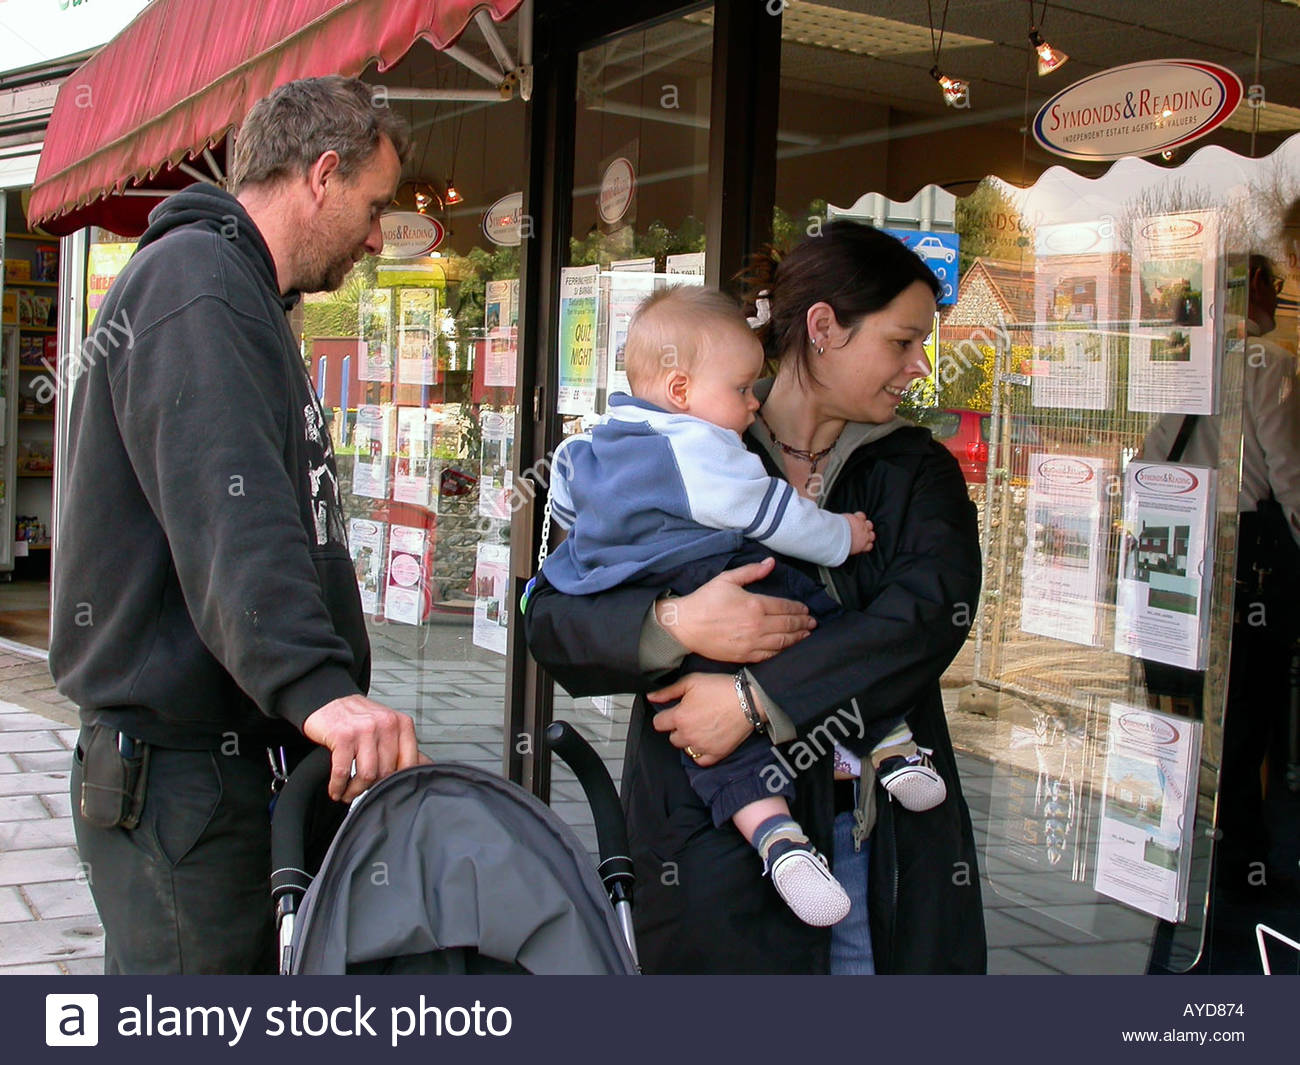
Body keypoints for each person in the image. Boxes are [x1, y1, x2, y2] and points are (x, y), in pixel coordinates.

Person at [525, 220, 987, 973]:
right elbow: (550, 614)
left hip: (879, 842)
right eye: (900, 342)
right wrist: (672, 622)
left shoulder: (914, 470)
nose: (917, 365)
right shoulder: (684, 445)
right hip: (712, 843)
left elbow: (924, 620)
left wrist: (752, 696)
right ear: (824, 328)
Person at [50, 76, 422, 974]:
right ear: (322, 175)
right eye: (374, 206)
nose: (378, 235)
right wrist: (313, 684)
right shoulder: (198, 284)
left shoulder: (237, 291)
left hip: (224, 773)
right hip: (182, 784)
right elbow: (232, 509)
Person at [1142, 253, 1300, 939]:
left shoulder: (1187, 361)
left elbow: (1150, 455)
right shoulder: (1270, 361)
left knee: (1181, 705)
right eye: (1277, 281)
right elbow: (1292, 473)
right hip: (1246, 556)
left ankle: (1176, 845)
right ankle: (1239, 863)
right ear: (1258, 285)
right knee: (1244, 714)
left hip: (1177, 547)